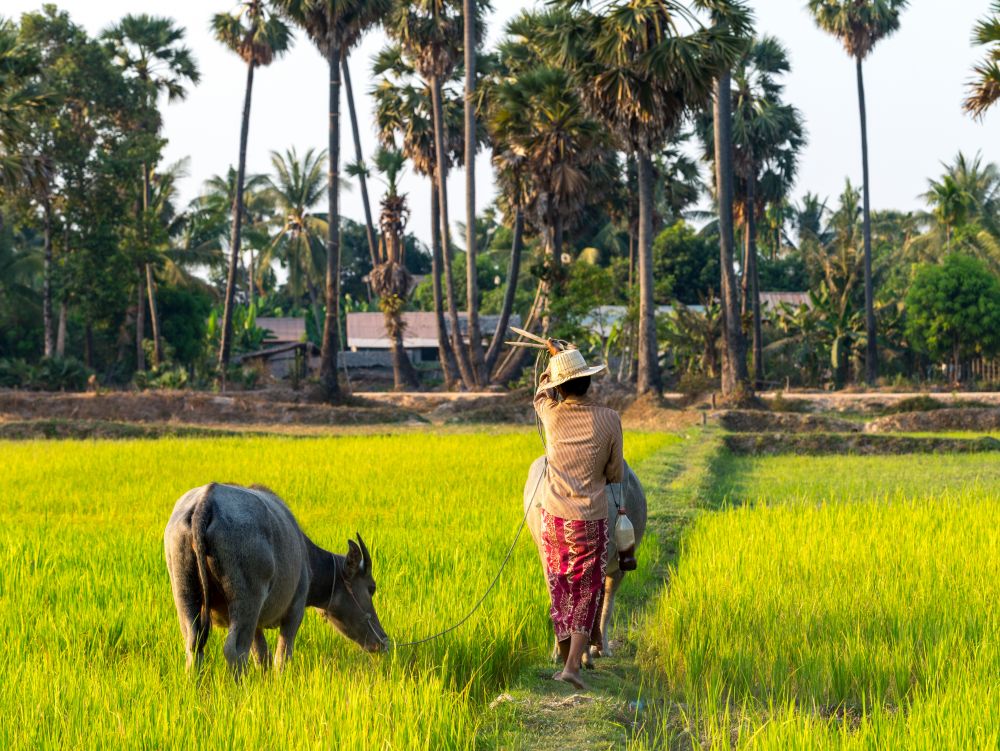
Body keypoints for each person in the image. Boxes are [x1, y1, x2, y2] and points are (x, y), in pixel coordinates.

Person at [532, 338, 624, 690]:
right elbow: (615, 473)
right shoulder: (609, 419)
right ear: (589, 381)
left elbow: (540, 394)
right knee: (588, 589)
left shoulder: (550, 415)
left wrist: (553, 363)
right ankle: (572, 666)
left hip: (553, 518)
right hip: (591, 519)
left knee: (561, 584)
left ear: (559, 386)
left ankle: (565, 650)